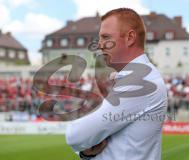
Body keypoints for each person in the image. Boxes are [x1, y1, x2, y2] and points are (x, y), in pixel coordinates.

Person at [66, 8, 168, 160]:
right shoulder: (135, 76)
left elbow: (75, 135)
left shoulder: (140, 80)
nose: (99, 45)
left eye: (106, 37)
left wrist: (98, 100)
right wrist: (86, 153)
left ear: (130, 37)